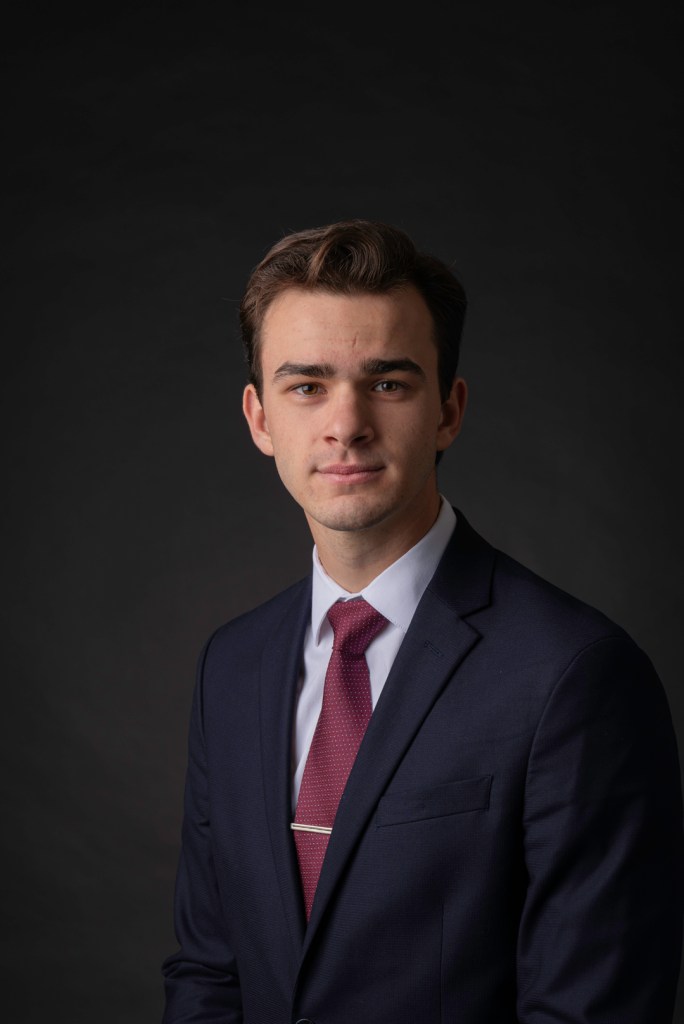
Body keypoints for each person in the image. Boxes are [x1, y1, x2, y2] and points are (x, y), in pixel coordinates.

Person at [162, 220, 683, 1023]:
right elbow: (208, 974)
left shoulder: (575, 676)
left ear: (448, 410)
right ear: (260, 419)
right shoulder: (231, 668)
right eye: (306, 385)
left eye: (389, 383)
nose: (346, 425)